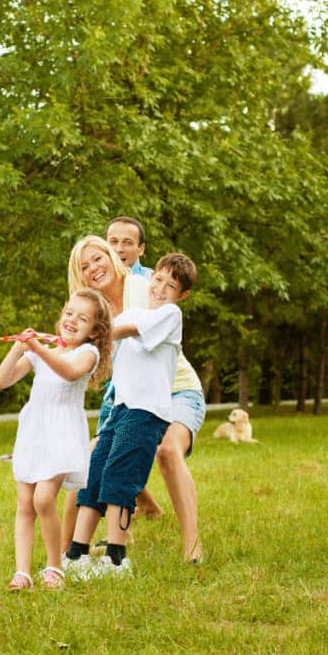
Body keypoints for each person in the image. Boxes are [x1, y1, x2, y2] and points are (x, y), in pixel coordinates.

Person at [63, 253, 197, 579]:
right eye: (159, 280)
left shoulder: (170, 315)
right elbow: (100, 352)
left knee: (120, 479)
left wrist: (92, 331)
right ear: (152, 278)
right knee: (94, 475)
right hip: (120, 409)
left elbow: (126, 330)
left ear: (182, 294)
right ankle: (76, 554)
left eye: (171, 285)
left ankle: (116, 559)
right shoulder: (135, 310)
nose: (161, 289)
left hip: (146, 413)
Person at [0, 289, 113, 591]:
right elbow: (2, 381)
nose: (72, 320)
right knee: (25, 503)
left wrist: (38, 348)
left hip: (62, 434)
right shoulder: (42, 351)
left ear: (94, 331)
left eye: (82, 318)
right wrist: (19, 348)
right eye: (69, 313)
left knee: (43, 498)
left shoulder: (87, 353)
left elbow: (70, 373)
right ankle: (22, 572)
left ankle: (54, 566)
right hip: (34, 432)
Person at [103, 216, 207, 563]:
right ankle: (139, 515)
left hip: (178, 389)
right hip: (132, 391)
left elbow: (127, 329)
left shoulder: (147, 285)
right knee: (102, 450)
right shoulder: (94, 296)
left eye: (125, 243)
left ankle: (192, 545)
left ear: (139, 250)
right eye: (110, 244)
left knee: (165, 451)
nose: (116, 252)